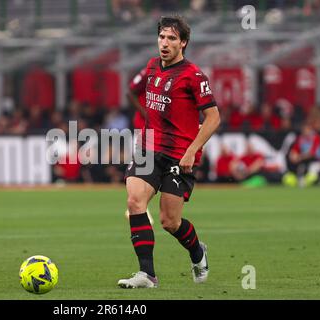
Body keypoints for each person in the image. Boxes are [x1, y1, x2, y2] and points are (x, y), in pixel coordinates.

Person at [118, 15, 221, 288]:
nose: (165, 43)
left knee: (169, 221)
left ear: (183, 43)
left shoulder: (194, 76)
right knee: (134, 201)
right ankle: (147, 275)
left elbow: (213, 118)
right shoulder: (152, 66)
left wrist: (191, 151)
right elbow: (134, 92)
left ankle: (198, 251)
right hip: (148, 148)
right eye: (162, 37)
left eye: (172, 38)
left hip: (179, 155)